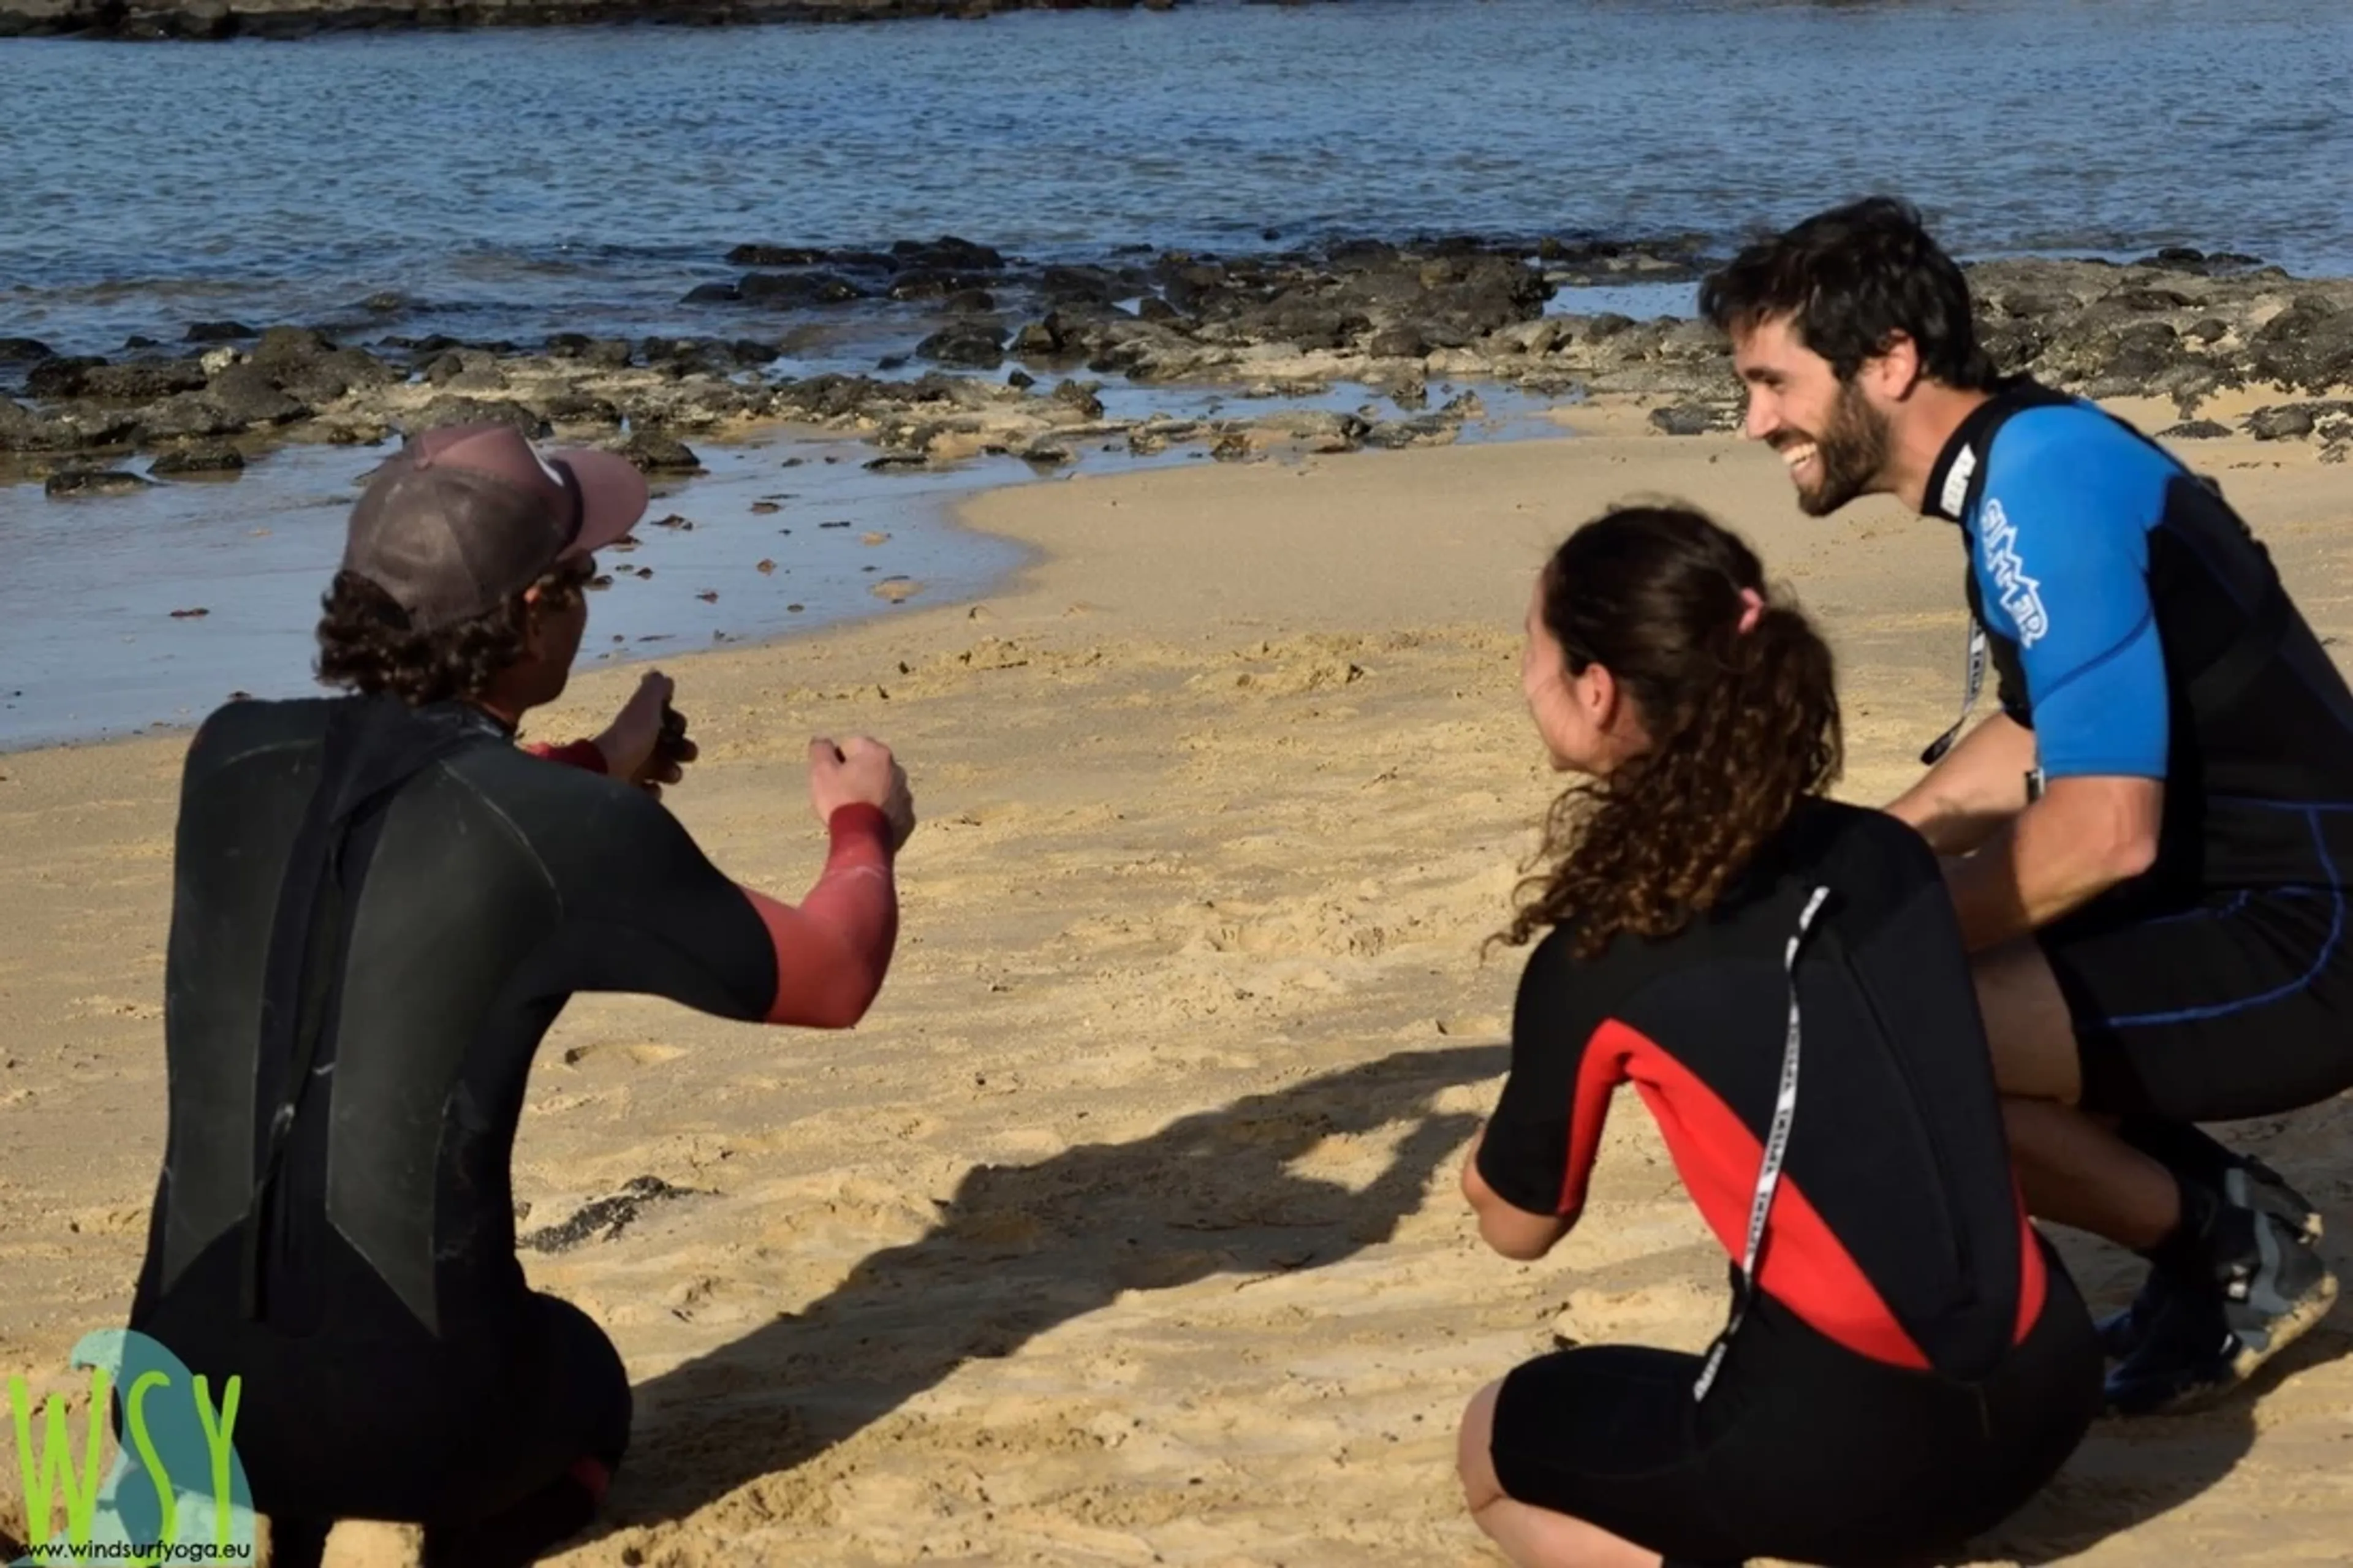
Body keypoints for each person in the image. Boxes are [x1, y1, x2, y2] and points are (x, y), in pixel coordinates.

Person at [125, 424, 917, 1567]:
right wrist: (863, 825)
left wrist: (597, 761)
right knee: (583, 1374)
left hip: (172, 1414)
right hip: (422, 1432)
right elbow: (834, 976)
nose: (589, 602)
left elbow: (398, 811)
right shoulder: (565, 836)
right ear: (538, 606)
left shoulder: (229, 756)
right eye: (584, 580)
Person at [1699, 197, 2347, 1414]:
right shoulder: (2025, 461)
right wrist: (1856, 861)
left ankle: (2231, 1245)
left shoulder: (2037, 488)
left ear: (1887, 359)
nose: (1754, 421)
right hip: (2242, 897)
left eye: (1773, 383)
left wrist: (1886, 939)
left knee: (1867, 1033)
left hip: (2310, 929)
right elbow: (2037, 738)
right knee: (1860, 977)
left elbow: (2105, 828)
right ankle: (2210, 1234)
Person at [1457, 505, 2101, 1568]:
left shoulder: (1602, 952)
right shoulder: (1886, 853)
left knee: (1493, 1438)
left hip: (1851, 1451)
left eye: (1534, 650)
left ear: (1598, 690)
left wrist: (1483, 1173)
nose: (1524, 674)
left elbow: (1521, 1229)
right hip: (2051, 1388)